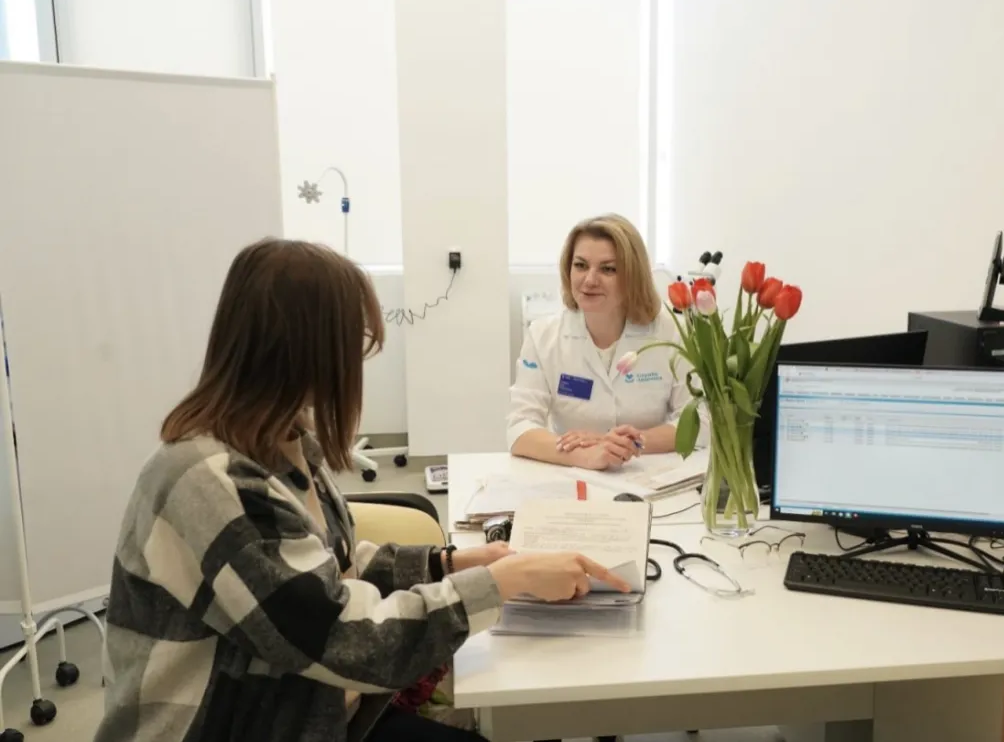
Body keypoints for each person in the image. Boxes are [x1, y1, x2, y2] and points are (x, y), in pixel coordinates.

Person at [94, 238, 629, 742]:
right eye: (351, 344)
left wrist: (449, 563)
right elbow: (347, 639)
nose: (355, 364)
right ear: (302, 349)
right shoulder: (213, 483)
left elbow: (321, 567)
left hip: (302, 705)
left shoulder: (281, 439)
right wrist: (500, 583)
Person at [507, 214, 705, 470]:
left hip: (650, 474)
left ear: (633, 276)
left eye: (608, 269)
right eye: (580, 265)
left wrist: (625, 444)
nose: (590, 280)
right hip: (574, 475)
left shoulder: (671, 333)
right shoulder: (543, 336)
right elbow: (520, 428)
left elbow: (699, 422)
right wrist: (583, 455)